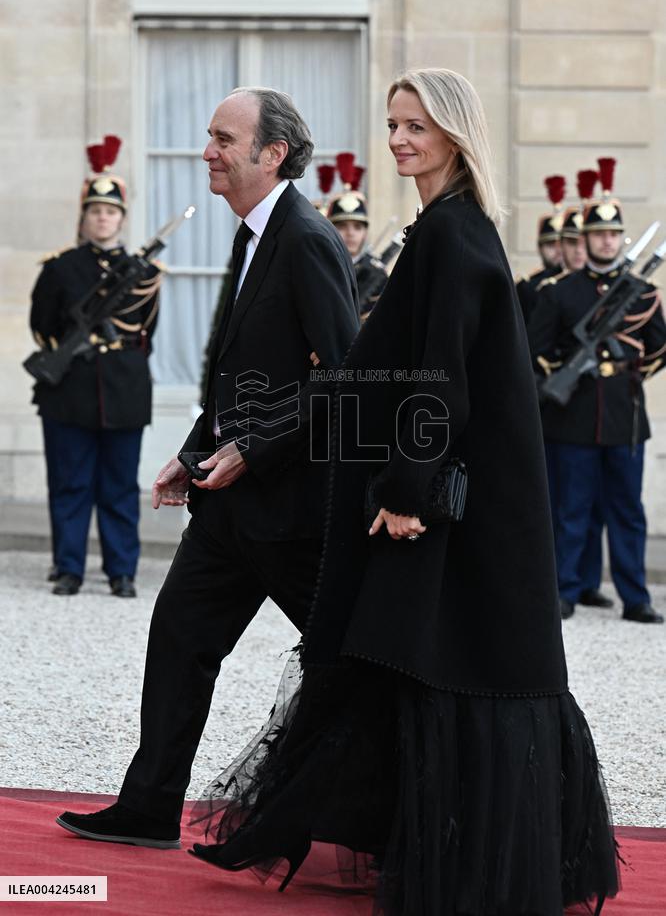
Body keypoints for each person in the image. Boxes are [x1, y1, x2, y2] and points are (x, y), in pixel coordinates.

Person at [187, 70, 618, 916]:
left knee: (440, 656)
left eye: (415, 126)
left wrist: (408, 489)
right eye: (392, 124)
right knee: (402, 649)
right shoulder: (444, 228)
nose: (397, 140)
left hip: (449, 504)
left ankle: (455, 860)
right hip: (445, 493)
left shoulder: (452, 233)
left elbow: (443, 375)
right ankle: (395, 837)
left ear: (453, 132)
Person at [55, 88, 359, 848]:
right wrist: (194, 453)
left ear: (273, 153)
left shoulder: (307, 238)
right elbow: (241, 373)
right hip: (227, 508)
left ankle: (404, 816)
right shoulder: (255, 233)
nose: (207, 152)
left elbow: (342, 377)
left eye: (224, 139)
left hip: (289, 509)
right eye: (209, 136)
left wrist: (253, 449)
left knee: (353, 660)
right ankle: (150, 807)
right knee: (179, 640)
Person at [529, 157, 666, 623]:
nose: (606, 240)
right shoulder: (561, 292)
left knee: (627, 511)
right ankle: (565, 590)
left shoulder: (642, 293)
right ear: (584, 239)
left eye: (613, 234)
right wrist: (567, 372)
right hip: (574, 415)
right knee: (572, 509)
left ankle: (635, 597)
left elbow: (658, 347)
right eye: (598, 234)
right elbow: (536, 350)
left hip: (625, 416)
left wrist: (626, 371)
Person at [29, 140, 162, 598]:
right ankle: (69, 567)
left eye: (111, 211)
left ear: (121, 219)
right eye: (95, 211)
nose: (103, 218)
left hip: (124, 390)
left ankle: (121, 571)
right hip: (69, 389)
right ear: (83, 217)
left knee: (120, 486)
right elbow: (42, 326)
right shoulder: (60, 268)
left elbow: (146, 332)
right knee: (70, 484)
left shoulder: (145, 272)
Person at [328, 187, 388, 318]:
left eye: (357, 227)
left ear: (365, 233)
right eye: (342, 226)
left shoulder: (377, 274)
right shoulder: (321, 266)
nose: (350, 233)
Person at [516, 174, 564, 323]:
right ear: (539, 247)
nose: (558, 250)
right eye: (551, 245)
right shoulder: (527, 286)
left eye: (562, 244)